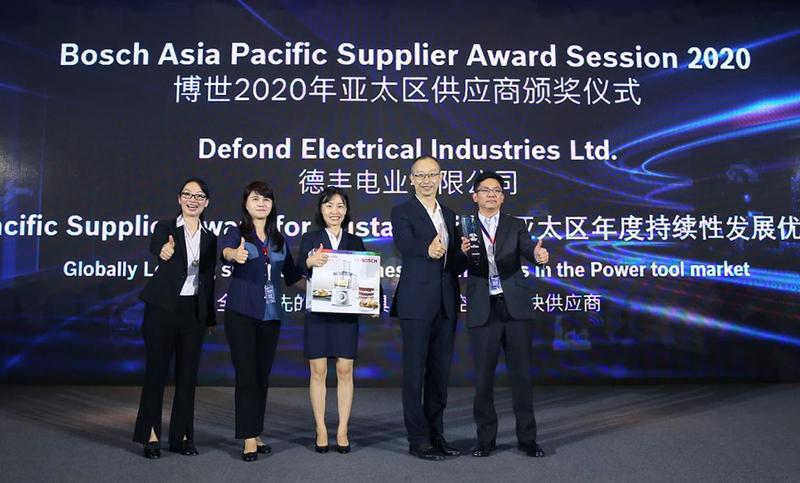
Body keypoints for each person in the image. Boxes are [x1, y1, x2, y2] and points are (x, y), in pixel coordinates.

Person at [458, 171, 549, 458]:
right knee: (483, 379)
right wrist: (460, 253)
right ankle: (485, 440)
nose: (491, 195)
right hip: (483, 307)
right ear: (475, 196)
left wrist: (538, 257)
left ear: (503, 197)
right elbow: (455, 264)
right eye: (485, 190)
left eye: (496, 190)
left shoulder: (515, 224)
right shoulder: (464, 226)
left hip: (515, 308)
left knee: (521, 376)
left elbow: (529, 250)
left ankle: (528, 439)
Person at [390, 155, 468, 460]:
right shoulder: (402, 211)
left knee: (439, 373)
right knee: (414, 373)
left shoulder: (449, 214)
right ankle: (418, 439)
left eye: (431, 174)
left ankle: (437, 435)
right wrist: (427, 249)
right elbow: (404, 245)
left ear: (440, 178)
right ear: (411, 179)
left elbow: (454, 264)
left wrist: (462, 253)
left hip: (446, 302)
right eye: (420, 175)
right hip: (416, 302)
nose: (426, 180)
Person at [133, 177, 217, 459]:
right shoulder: (165, 228)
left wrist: (208, 317)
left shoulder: (210, 237)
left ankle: (181, 436)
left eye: (199, 196)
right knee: (156, 374)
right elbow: (157, 246)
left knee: (187, 377)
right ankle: (151, 435)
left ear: (206, 203)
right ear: (179, 199)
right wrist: (164, 250)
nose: (193, 200)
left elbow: (209, 279)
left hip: (193, 313)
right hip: (162, 310)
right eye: (187, 194)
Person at [219, 181, 303, 462]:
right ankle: (247, 438)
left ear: (272, 205)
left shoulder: (278, 239)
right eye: (255, 199)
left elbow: (293, 277)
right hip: (241, 313)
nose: (261, 203)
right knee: (246, 375)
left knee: (261, 377)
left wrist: (320, 279)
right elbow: (226, 253)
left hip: (271, 315)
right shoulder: (236, 232)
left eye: (266, 199)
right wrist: (234, 254)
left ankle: (256, 432)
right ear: (246, 203)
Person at [297, 187, 369, 454]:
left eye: (340, 206)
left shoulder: (355, 241)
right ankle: (321, 428)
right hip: (317, 312)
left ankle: (342, 429)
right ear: (321, 209)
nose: (334, 211)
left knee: (345, 371)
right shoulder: (310, 238)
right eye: (329, 206)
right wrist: (310, 261)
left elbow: (367, 276)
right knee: (317, 371)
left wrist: (372, 301)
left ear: (346, 210)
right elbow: (295, 270)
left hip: (346, 315)